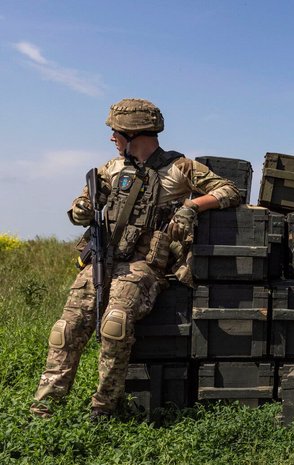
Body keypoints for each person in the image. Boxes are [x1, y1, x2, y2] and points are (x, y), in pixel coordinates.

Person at [30, 98, 241, 419]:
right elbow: (80, 207)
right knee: (65, 329)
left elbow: (229, 190)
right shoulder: (111, 169)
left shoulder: (180, 167)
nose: (111, 137)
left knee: (115, 324)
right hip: (103, 260)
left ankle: (104, 407)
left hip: (145, 266)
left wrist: (191, 206)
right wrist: (81, 209)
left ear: (133, 133)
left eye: (116, 132)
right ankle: (44, 409)